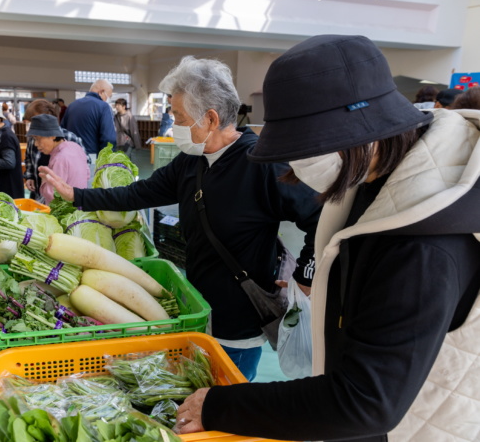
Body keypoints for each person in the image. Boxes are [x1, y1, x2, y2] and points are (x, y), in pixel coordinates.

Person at [175, 35, 480, 442]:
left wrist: (220, 406)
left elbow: (365, 401)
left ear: (362, 132)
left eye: (308, 149)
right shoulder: (377, 179)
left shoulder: (424, 245)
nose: (299, 166)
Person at [41, 56, 321, 380]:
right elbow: (139, 193)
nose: (174, 124)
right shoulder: (192, 160)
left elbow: (318, 214)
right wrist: (78, 196)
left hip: (240, 317)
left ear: (211, 119)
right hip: (198, 303)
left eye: (179, 115)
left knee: (230, 391)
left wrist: (306, 278)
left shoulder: (262, 165)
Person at [22, 99, 89, 201]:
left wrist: (45, 181)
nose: (36, 144)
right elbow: (28, 158)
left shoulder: (62, 154)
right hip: (47, 198)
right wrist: (30, 176)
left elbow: (52, 194)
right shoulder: (68, 146)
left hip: (60, 204)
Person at [60, 79, 117, 178]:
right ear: (101, 91)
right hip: (91, 158)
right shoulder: (103, 107)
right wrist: (106, 161)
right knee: (89, 190)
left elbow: (62, 131)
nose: (109, 99)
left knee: (72, 189)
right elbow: (109, 138)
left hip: (69, 157)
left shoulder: (72, 105)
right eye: (109, 96)